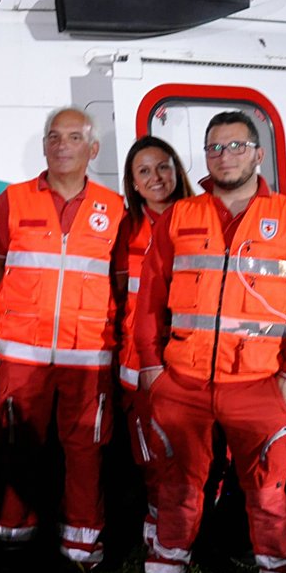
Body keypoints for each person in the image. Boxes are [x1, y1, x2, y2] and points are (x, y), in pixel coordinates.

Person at [133, 111, 286, 573]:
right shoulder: (179, 216)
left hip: (259, 384)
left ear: (258, 154)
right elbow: (150, 297)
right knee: (178, 485)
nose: (225, 157)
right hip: (184, 381)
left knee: (267, 492)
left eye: (236, 146)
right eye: (215, 148)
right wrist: (153, 366)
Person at [0, 107, 123, 570]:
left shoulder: (116, 208)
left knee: (86, 449)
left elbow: (120, 283)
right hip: (21, 353)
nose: (61, 145)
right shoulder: (14, 199)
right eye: (53, 136)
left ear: (93, 149)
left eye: (72, 137)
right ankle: (13, 531)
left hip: (87, 355)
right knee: (16, 443)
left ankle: (82, 543)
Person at [113, 137, 195, 546]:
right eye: (143, 171)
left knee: (193, 460)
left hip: (191, 365)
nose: (156, 178)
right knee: (150, 459)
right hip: (138, 370)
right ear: (133, 182)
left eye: (162, 167)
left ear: (177, 170)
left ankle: (187, 539)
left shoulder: (201, 219)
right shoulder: (124, 228)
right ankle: (161, 540)